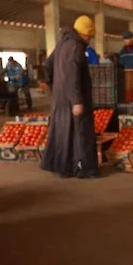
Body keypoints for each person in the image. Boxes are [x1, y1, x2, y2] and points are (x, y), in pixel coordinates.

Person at [41, 15, 100, 179]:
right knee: (81, 133)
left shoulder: (62, 44)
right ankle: (85, 169)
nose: (90, 39)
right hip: (74, 98)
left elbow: (47, 65)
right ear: (85, 33)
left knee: (62, 133)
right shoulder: (76, 47)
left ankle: (63, 168)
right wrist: (77, 101)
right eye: (90, 35)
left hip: (60, 98)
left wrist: (54, 87)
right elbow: (72, 75)